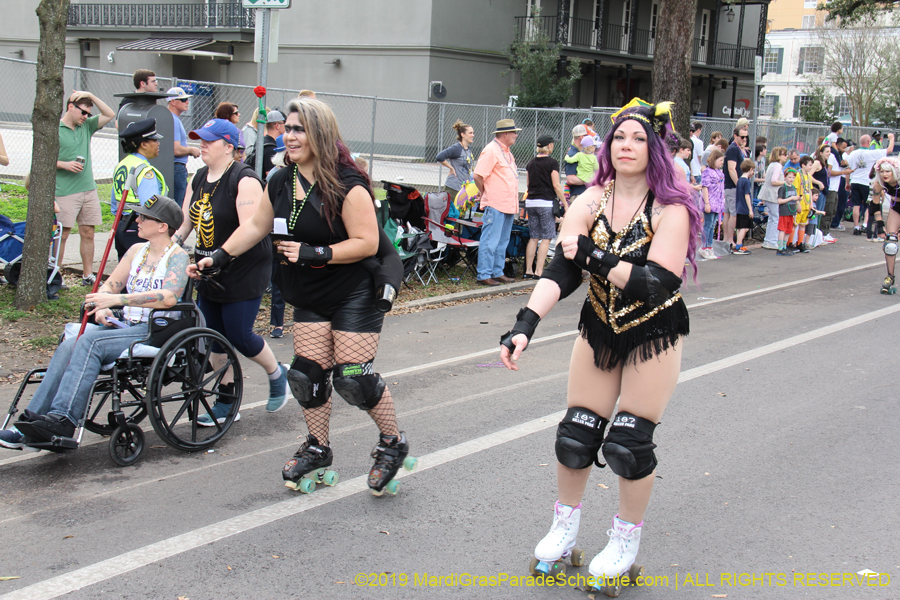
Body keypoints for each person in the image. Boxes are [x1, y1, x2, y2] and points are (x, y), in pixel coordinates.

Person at [498, 98, 700, 588]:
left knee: (629, 443)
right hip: (598, 328)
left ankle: (625, 540)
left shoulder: (672, 206)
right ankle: (564, 531)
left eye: (638, 138)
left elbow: (657, 282)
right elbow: (563, 268)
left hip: (653, 332)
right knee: (577, 434)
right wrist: (524, 324)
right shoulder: (591, 200)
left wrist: (593, 254)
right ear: (607, 145)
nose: (626, 145)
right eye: (620, 137)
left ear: (655, 147)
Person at [193, 97, 410, 494]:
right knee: (306, 375)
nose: (290, 136)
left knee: (353, 379)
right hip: (310, 292)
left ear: (320, 134)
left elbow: (366, 242)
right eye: (287, 129)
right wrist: (219, 257)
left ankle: (392, 444)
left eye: (298, 129)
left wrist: (317, 253)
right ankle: (318, 448)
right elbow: (256, 226)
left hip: (354, 292)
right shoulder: (280, 180)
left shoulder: (348, 183)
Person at [0, 195, 189, 448]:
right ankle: (29, 424)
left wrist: (119, 301)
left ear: (162, 226)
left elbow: (168, 298)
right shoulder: (136, 251)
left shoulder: (178, 257)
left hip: (153, 330)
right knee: (71, 344)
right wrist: (102, 305)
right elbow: (109, 287)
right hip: (123, 325)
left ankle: (64, 419)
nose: (137, 221)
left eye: (144, 217)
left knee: (89, 342)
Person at [172, 118, 287, 422]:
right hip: (208, 266)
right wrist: (170, 247)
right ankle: (226, 398)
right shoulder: (198, 178)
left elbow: (251, 229)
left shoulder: (244, 179)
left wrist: (221, 256)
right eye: (200, 140)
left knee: (238, 334)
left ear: (229, 147)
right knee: (212, 335)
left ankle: (276, 373)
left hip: (243, 266)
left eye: (209, 140)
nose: (202, 145)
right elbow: (186, 221)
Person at [56, 91, 115, 287]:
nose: (86, 117)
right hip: (64, 191)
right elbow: (41, 159)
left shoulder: (86, 126)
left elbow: (109, 114)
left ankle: (88, 275)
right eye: (83, 112)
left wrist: (91, 95)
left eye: (89, 114)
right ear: (70, 106)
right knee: (62, 234)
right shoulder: (55, 129)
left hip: (88, 189)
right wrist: (63, 164)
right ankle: (55, 274)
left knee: (88, 232)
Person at [110, 118, 168, 259]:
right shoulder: (145, 171)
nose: (158, 143)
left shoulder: (124, 164)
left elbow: (114, 204)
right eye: (154, 140)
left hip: (122, 227)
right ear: (143, 144)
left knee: (125, 275)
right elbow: (150, 207)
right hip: (139, 229)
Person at [474, 119, 521, 286]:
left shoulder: (507, 152)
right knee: (490, 240)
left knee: (502, 241)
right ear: (505, 134)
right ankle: (484, 274)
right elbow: (478, 175)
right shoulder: (491, 150)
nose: (516, 135)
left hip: (508, 204)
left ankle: (497, 271)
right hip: (495, 203)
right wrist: (484, 192)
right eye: (514, 132)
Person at [524, 134, 567, 279]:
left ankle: (528, 270)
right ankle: (539, 271)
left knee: (534, 237)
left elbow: (528, 184)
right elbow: (556, 185)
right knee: (547, 237)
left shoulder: (531, 163)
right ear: (549, 146)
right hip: (546, 203)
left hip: (531, 202)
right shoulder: (552, 163)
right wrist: (565, 203)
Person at [847, 133, 895, 235]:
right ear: (868, 142)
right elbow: (889, 150)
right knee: (868, 205)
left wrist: (848, 182)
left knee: (856, 205)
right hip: (866, 182)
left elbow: (848, 168)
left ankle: (856, 226)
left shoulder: (853, 154)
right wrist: (891, 138)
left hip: (855, 181)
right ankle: (864, 225)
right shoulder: (871, 153)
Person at [166, 87, 200, 207]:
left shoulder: (170, 118)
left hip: (172, 167)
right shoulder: (173, 120)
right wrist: (192, 150)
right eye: (183, 99)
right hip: (176, 168)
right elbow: (176, 149)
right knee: (179, 205)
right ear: (173, 102)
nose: (187, 102)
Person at [871, 157, 900, 293]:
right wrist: (880, 224)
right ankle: (890, 276)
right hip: (896, 208)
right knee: (890, 244)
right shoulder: (879, 183)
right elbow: (875, 203)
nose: (885, 174)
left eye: (888, 171)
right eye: (882, 171)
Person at [723, 125, 749, 253]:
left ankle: (727, 239)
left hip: (731, 186)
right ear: (735, 136)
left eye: (746, 137)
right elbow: (731, 168)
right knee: (732, 213)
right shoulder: (733, 149)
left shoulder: (738, 148)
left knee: (729, 212)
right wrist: (739, 185)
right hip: (732, 186)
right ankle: (729, 239)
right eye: (742, 137)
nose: (744, 139)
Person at [436, 120, 476, 197]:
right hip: (454, 188)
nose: (473, 135)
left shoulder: (469, 148)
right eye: (470, 133)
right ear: (463, 134)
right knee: (452, 209)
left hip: (464, 187)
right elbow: (439, 157)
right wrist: (451, 168)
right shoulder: (457, 148)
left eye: (473, 133)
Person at [759, 147, 788, 250]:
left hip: (767, 194)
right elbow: (774, 181)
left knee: (772, 218)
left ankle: (768, 240)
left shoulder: (772, 165)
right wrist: (785, 182)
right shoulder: (778, 166)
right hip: (773, 195)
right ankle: (772, 241)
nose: (786, 156)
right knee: (776, 218)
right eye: (784, 154)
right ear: (779, 156)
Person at [700, 148, 725, 260]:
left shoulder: (720, 173)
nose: (721, 163)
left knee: (713, 225)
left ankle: (709, 247)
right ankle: (704, 247)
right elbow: (705, 187)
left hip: (718, 203)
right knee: (708, 225)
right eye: (720, 160)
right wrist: (707, 203)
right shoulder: (707, 172)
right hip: (710, 201)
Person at [776, 170, 801, 256]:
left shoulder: (793, 187)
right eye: (789, 177)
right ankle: (780, 248)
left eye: (793, 177)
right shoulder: (782, 188)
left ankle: (784, 246)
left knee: (788, 230)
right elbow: (779, 201)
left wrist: (798, 201)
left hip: (791, 212)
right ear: (785, 177)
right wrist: (791, 198)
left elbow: (795, 199)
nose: (791, 179)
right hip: (784, 212)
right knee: (782, 230)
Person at [733, 159, 755, 255]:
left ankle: (739, 244)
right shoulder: (746, 182)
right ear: (750, 169)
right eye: (753, 170)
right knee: (744, 228)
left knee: (740, 227)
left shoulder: (739, 180)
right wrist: (750, 210)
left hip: (739, 207)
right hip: (744, 208)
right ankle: (738, 246)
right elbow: (747, 195)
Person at [830, 137, 851, 232]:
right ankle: (834, 223)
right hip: (839, 181)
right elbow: (831, 171)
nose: (845, 150)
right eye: (843, 147)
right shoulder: (834, 155)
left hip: (839, 181)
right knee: (837, 204)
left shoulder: (841, 155)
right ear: (837, 145)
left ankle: (835, 222)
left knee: (839, 204)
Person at [565, 124, 590, 201]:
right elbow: (571, 179)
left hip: (582, 194)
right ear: (581, 137)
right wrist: (589, 180)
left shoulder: (580, 152)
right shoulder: (573, 154)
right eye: (586, 136)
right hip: (577, 196)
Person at [261, 110, 285, 179]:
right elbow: (271, 177)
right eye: (283, 123)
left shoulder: (261, 141)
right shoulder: (270, 148)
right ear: (277, 126)